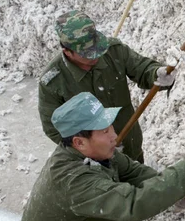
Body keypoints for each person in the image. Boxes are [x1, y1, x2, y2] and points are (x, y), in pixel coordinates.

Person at [19, 92, 185, 221]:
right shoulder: (74, 181)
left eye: (111, 127)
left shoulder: (95, 153)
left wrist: (178, 190)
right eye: (105, 131)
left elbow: (133, 172)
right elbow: (133, 204)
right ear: (79, 142)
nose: (114, 136)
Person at [38, 10, 175, 162]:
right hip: (97, 162)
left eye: (97, 49)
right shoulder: (53, 82)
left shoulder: (114, 51)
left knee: (142, 183)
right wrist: (94, 149)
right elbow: (53, 129)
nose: (96, 55)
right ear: (67, 52)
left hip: (130, 144)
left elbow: (142, 68)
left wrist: (157, 74)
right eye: (88, 53)